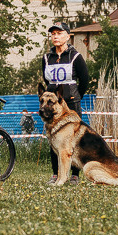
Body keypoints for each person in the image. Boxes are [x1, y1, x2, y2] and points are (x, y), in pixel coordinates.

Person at [42, 22, 90, 183]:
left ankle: (75, 174)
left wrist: (76, 96)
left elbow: (84, 79)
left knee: (75, 139)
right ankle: (56, 173)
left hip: (71, 103)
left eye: (59, 33)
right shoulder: (47, 58)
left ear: (67, 36)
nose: (55, 36)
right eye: (53, 34)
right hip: (52, 105)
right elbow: (46, 80)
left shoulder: (75, 56)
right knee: (53, 136)